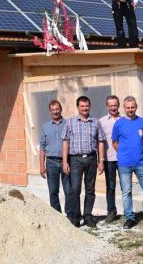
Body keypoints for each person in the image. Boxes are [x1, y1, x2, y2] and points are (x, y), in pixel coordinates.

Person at [111, 96, 143, 229]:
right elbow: (114, 143)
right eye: (127, 108)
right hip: (124, 164)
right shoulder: (119, 123)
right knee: (126, 192)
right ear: (124, 108)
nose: (130, 110)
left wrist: (139, 150)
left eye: (132, 107)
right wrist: (123, 153)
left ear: (136, 107)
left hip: (141, 163)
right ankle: (129, 218)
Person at [62, 96, 106, 228]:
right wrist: (65, 162)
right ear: (78, 107)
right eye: (82, 106)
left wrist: (101, 160)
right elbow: (65, 142)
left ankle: (88, 216)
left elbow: (101, 142)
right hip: (75, 159)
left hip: (92, 158)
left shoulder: (96, 122)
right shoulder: (70, 122)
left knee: (90, 189)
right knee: (75, 189)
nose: (85, 108)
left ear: (89, 106)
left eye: (87, 106)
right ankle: (75, 217)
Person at [39, 100, 71, 213]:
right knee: (53, 191)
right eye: (53, 110)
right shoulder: (45, 127)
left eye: (57, 109)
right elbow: (42, 147)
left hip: (66, 161)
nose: (55, 111)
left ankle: (70, 216)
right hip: (51, 162)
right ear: (50, 111)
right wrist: (42, 166)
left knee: (68, 190)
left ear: (61, 109)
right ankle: (56, 215)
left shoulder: (69, 124)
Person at [98, 95, 122, 223]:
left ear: (118, 105)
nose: (113, 107)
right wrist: (100, 160)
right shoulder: (101, 122)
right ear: (107, 106)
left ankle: (128, 212)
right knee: (110, 187)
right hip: (109, 159)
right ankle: (111, 212)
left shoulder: (124, 120)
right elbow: (99, 142)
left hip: (124, 159)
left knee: (125, 186)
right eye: (111, 105)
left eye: (115, 105)